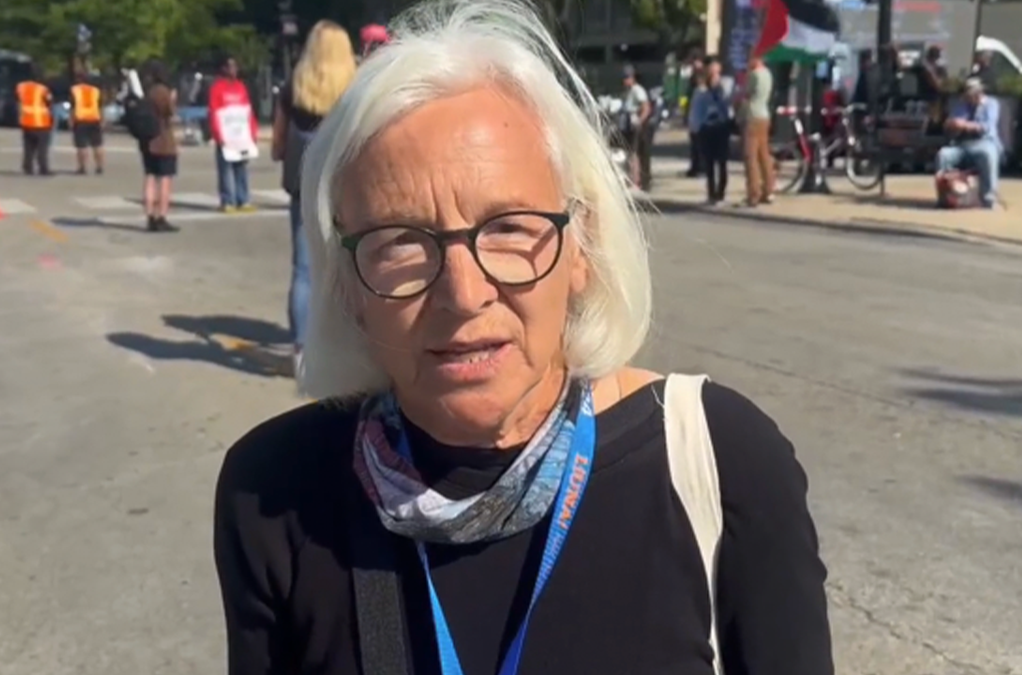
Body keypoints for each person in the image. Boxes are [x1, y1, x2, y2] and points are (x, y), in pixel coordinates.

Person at [213, 1, 834, 674]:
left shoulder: (721, 461)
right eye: (401, 241)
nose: (463, 292)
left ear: (582, 248)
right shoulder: (276, 493)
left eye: (508, 226)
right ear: (345, 286)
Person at [271, 20, 356, 370]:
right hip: (346, 188)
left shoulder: (293, 89)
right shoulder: (355, 88)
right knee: (349, 266)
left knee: (304, 270)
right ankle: (346, 343)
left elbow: (277, 147)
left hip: (303, 188)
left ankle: (301, 350)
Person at [936, 77, 1002, 209]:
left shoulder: (991, 104)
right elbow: (952, 122)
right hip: (962, 144)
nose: (967, 97)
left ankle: (989, 199)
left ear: (978, 93)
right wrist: (950, 124)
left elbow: (986, 127)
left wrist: (964, 125)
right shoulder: (962, 105)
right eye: (966, 94)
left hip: (984, 142)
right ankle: (945, 197)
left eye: (970, 94)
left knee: (988, 154)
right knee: (943, 155)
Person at [208, 56, 259, 212]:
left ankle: (243, 199)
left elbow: (247, 111)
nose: (234, 69)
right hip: (225, 137)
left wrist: (253, 132)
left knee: (241, 168)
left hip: (241, 136)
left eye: (235, 66)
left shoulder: (240, 87)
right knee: (226, 170)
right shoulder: (217, 88)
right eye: (230, 66)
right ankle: (228, 200)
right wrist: (218, 135)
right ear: (223, 69)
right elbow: (214, 112)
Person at [139, 61, 179, 232]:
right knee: (165, 180)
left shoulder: (147, 92)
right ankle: (161, 216)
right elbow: (169, 113)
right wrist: (173, 100)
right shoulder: (163, 92)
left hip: (147, 140)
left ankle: (149, 216)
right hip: (163, 141)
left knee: (149, 177)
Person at [689, 57, 733, 205]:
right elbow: (695, 111)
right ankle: (711, 193)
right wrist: (696, 127)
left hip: (721, 127)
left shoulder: (724, 88)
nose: (714, 75)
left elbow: (729, 106)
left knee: (722, 162)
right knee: (709, 163)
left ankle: (720, 194)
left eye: (717, 72)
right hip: (707, 128)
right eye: (712, 72)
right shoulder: (701, 91)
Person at [741, 53, 775, 206]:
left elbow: (747, 95)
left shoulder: (754, 75)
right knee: (764, 154)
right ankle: (768, 189)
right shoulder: (768, 74)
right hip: (764, 115)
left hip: (752, 115)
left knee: (751, 156)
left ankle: (753, 193)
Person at [16, 64, 53, 176]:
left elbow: (19, 100)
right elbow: (49, 101)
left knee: (28, 146)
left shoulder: (21, 86)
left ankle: (28, 167)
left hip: (26, 120)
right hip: (41, 121)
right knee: (42, 147)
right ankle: (43, 167)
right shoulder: (43, 89)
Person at [620, 64, 651, 190]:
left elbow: (646, 107)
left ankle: (636, 181)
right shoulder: (628, 92)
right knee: (630, 153)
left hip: (636, 125)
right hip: (629, 124)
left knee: (635, 153)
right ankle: (633, 179)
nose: (625, 80)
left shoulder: (638, 90)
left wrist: (639, 121)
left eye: (627, 77)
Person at [70, 72, 105, 175]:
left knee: (82, 146)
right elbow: (100, 106)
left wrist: (71, 120)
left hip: (81, 119)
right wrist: (102, 120)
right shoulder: (96, 91)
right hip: (95, 118)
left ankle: (82, 167)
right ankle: (100, 167)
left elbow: (73, 106)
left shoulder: (75, 90)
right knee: (98, 144)